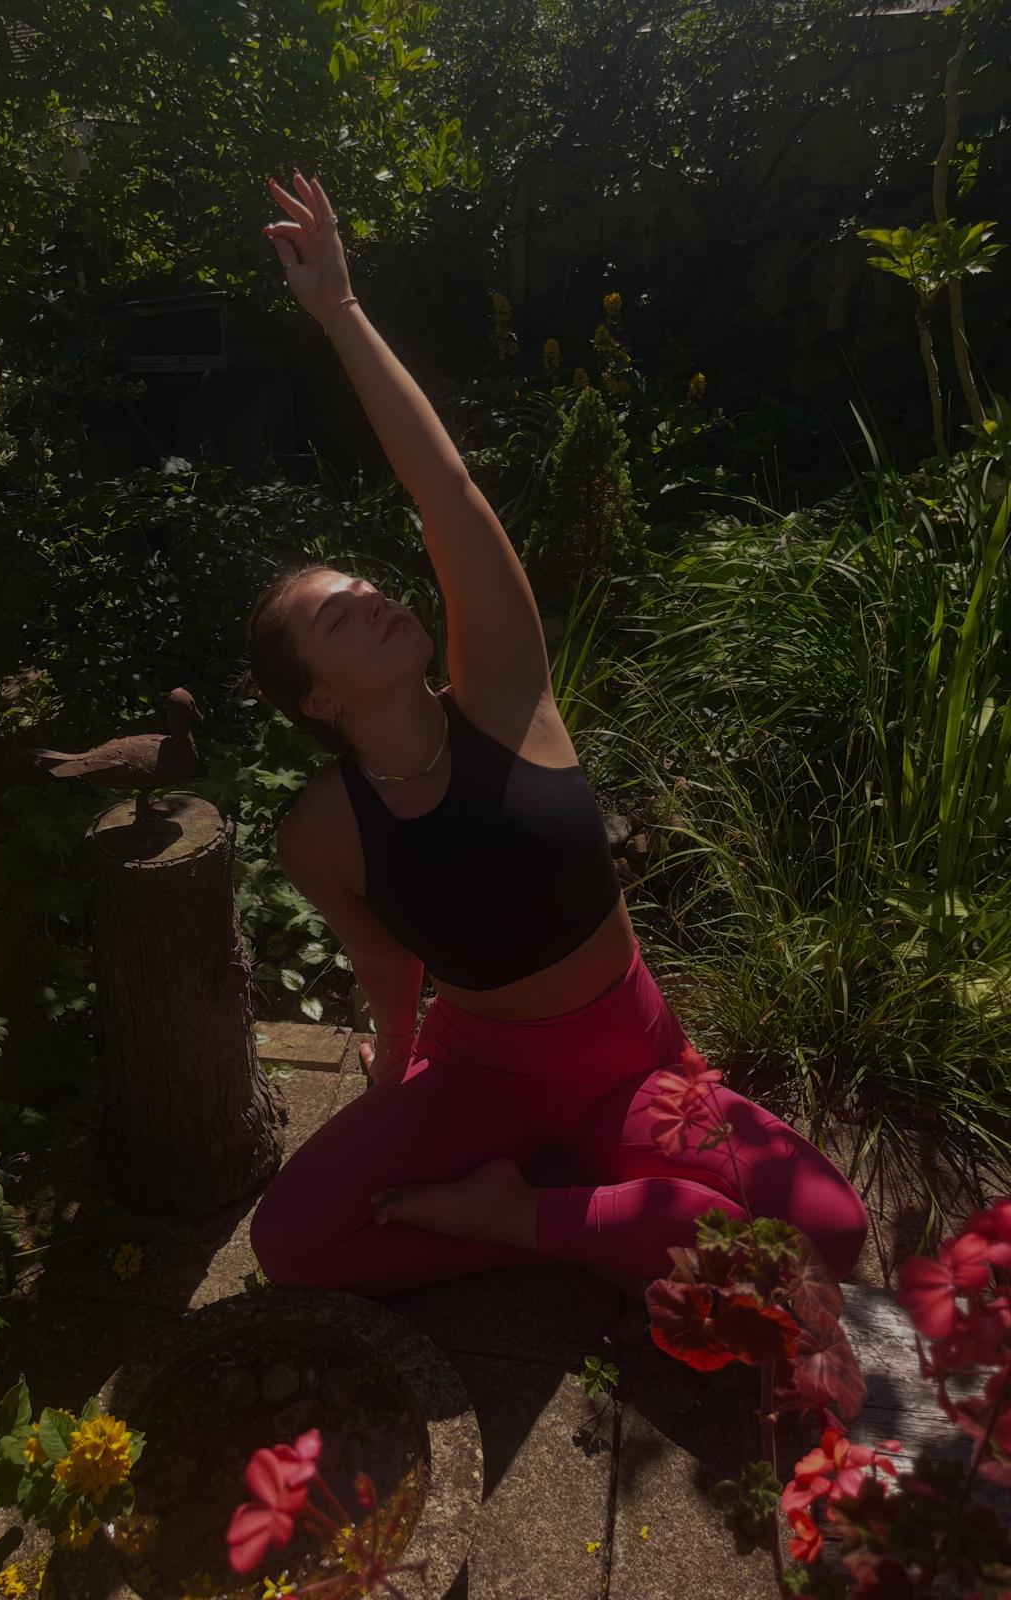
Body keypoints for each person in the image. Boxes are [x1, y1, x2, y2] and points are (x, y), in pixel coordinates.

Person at [240, 169, 868, 1300]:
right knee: (291, 1242)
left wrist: (339, 308)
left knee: (832, 1233)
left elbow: (445, 489)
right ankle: (586, 1213)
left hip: (631, 1061)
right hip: (480, 1074)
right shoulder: (321, 833)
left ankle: (523, 1205)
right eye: (341, 614)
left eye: (370, 584)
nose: (379, 597)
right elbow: (388, 965)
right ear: (318, 700)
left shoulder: (507, 693)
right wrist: (391, 1081)